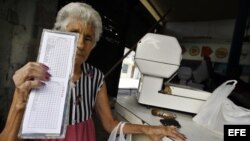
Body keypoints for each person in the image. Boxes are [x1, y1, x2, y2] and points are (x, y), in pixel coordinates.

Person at [0, 2, 186, 141]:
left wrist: (148, 129)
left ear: (94, 44)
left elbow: (109, 124)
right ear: (60, 34)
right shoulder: (35, 76)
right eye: (74, 32)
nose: (81, 44)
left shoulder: (95, 77)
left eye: (88, 38)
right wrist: (19, 101)